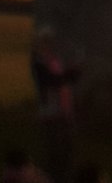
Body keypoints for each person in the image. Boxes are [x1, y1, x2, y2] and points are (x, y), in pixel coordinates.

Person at [31, 25, 81, 183]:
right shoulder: (40, 64)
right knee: (54, 148)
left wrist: (71, 74)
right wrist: (70, 74)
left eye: (51, 42)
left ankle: (63, 176)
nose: (49, 45)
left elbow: (64, 81)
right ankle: (53, 177)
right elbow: (53, 81)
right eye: (46, 42)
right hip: (50, 112)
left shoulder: (54, 61)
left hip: (63, 110)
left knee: (66, 148)